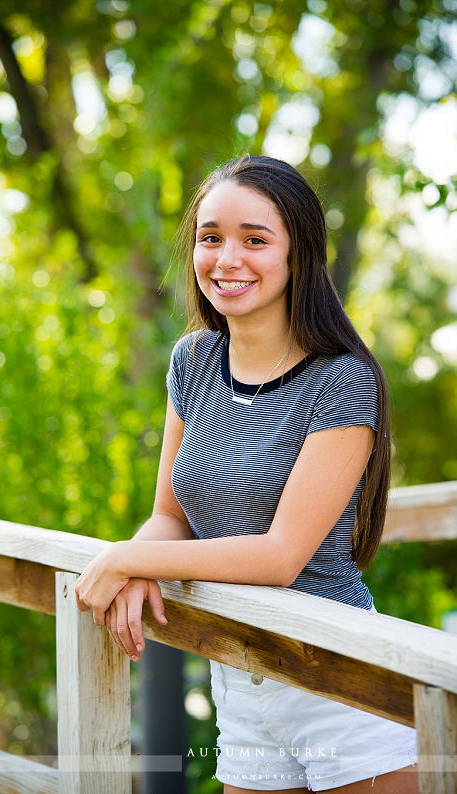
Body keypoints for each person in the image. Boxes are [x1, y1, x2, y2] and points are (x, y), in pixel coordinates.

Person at [74, 155, 417, 792]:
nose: (227, 259)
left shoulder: (342, 379)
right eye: (211, 238)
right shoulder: (193, 361)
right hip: (239, 672)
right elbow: (170, 517)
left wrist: (128, 560)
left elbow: (282, 556)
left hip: (335, 674)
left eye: (254, 240)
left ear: (299, 256)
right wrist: (136, 557)